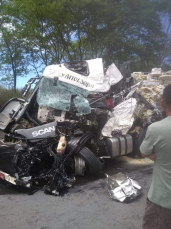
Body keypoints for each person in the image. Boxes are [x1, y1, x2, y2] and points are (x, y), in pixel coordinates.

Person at [140, 84, 171, 229]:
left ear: (163, 102)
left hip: (162, 200)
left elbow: (144, 152)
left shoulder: (156, 129)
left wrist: (157, 154)